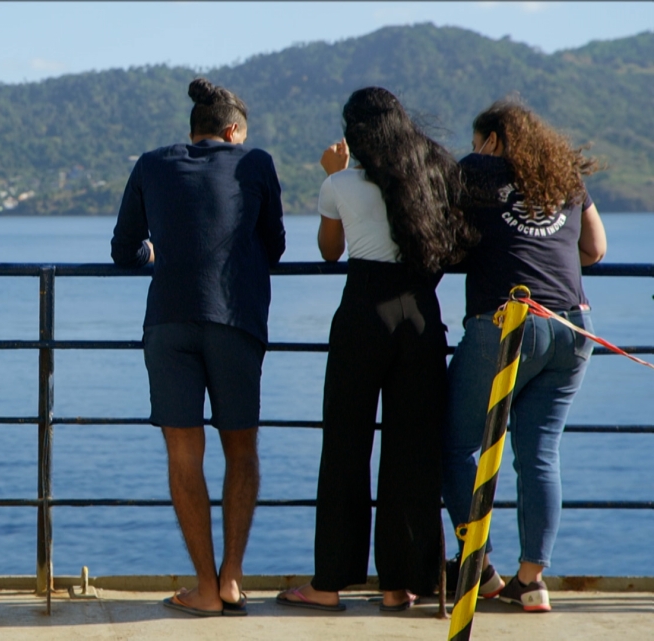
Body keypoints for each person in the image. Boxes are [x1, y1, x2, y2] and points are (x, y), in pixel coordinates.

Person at [277, 87, 472, 613]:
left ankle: (330, 583)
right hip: (420, 318)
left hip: (363, 316)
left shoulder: (340, 183)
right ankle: (400, 585)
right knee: (412, 451)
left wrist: (329, 176)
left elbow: (329, 250)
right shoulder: (434, 177)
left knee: (345, 447)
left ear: (358, 134)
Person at [111, 78, 285, 617]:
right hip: (235, 320)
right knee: (241, 450)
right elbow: (274, 247)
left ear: (195, 129)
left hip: (168, 321)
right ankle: (231, 579)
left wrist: (155, 251)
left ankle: (204, 590)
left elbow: (123, 251)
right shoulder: (255, 162)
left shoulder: (150, 163)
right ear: (233, 132)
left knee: (184, 455)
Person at [441, 98, 606, 613]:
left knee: (457, 444)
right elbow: (595, 248)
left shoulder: (478, 170)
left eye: (476, 143)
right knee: (538, 453)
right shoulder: (563, 178)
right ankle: (532, 581)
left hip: (509, 323)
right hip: (573, 325)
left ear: (491, 141)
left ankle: (481, 569)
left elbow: (447, 238)